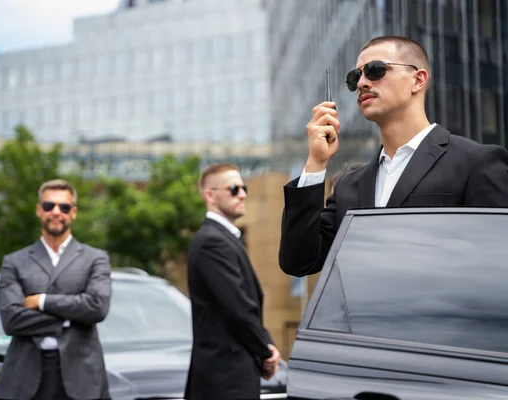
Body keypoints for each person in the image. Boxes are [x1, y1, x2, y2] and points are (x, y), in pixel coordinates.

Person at [279, 35, 508, 277]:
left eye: (375, 70)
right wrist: (316, 163)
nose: (361, 84)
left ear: (418, 80)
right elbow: (299, 260)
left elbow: (498, 262)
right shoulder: (349, 186)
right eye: (355, 77)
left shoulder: (476, 163)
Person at [0, 179, 112, 400]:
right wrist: (69, 319)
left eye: (64, 207)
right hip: (26, 379)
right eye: (49, 206)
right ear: (39, 211)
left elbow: (97, 307)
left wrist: (41, 302)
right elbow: (11, 319)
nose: (56, 212)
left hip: (82, 379)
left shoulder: (95, 259)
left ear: (74, 213)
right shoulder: (14, 262)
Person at [185, 163, 281, 400]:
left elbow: (244, 306)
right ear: (210, 195)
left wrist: (265, 346)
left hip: (229, 375)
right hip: (225, 379)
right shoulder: (212, 242)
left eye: (244, 187)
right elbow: (238, 308)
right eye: (234, 189)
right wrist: (265, 351)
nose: (243, 194)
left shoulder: (223, 239)